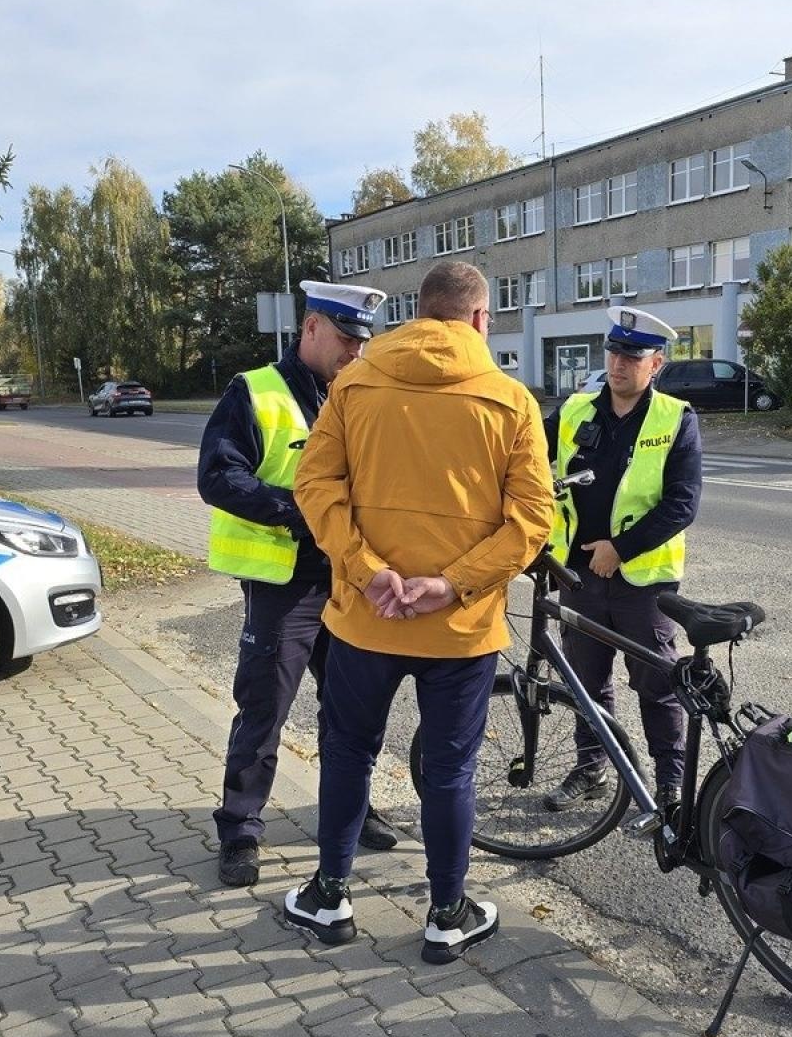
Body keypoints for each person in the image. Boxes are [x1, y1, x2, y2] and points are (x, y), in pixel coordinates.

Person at [284, 259, 555, 963]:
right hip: (460, 629)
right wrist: (451, 584)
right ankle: (446, 914)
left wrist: (366, 570)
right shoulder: (511, 401)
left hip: (366, 619)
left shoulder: (355, 384)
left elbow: (314, 485)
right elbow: (532, 521)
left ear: (418, 311)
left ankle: (329, 896)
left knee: (348, 753)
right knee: (449, 770)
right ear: (480, 319)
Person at [197, 280, 399, 888]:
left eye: (362, 343)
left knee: (351, 711)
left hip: (348, 582)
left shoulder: (361, 394)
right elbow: (219, 476)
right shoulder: (255, 391)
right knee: (264, 708)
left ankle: (352, 809)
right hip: (285, 585)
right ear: (311, 327)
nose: (355, 353)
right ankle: (240, 828)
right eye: (344, 339)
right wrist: (301, 511)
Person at [541, 306, 702, 814]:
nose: (618, 364)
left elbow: (682, 503)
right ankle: (592, 768)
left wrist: (621, 549)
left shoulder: (676, 418)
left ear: (656, 364)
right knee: (586, 682)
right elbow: (525, 455)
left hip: (643, 582)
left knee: (657, 685)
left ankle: (670, 785)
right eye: (613, 352)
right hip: (578, 575)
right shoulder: (575, 411)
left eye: (632, 356)